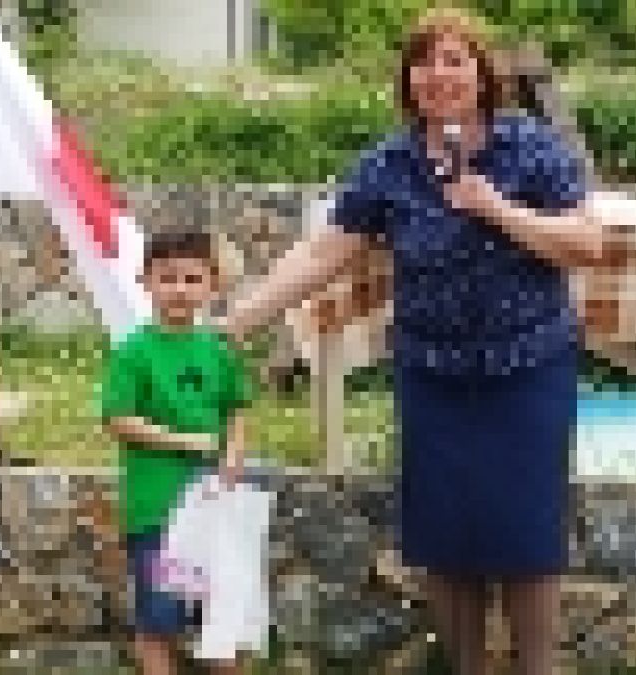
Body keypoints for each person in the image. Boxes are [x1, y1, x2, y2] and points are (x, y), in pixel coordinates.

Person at [225, 8, 603, 674]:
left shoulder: (531, 147)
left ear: (482, 74)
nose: (438, 74)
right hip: (433, 375)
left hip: (528, 368)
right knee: (446, 535)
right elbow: (322, 253)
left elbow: (586, 241)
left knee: (526, 532)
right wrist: (239, 320)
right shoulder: (388, 165)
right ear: (408, 81)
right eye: (424, 63)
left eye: (454, 60)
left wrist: (495, 207)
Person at [103, 231, 253, 675]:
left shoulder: (218, 351)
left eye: (192, 279)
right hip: (158, 512)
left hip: (212, 506)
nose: (179, 289)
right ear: (145, 281)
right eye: (167, 278)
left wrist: (234, 455)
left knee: (221, 611)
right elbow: (118, 419)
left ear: (212, 285)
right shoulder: (134, 353)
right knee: (160, 617)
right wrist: (183, 441)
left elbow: (236, 408)